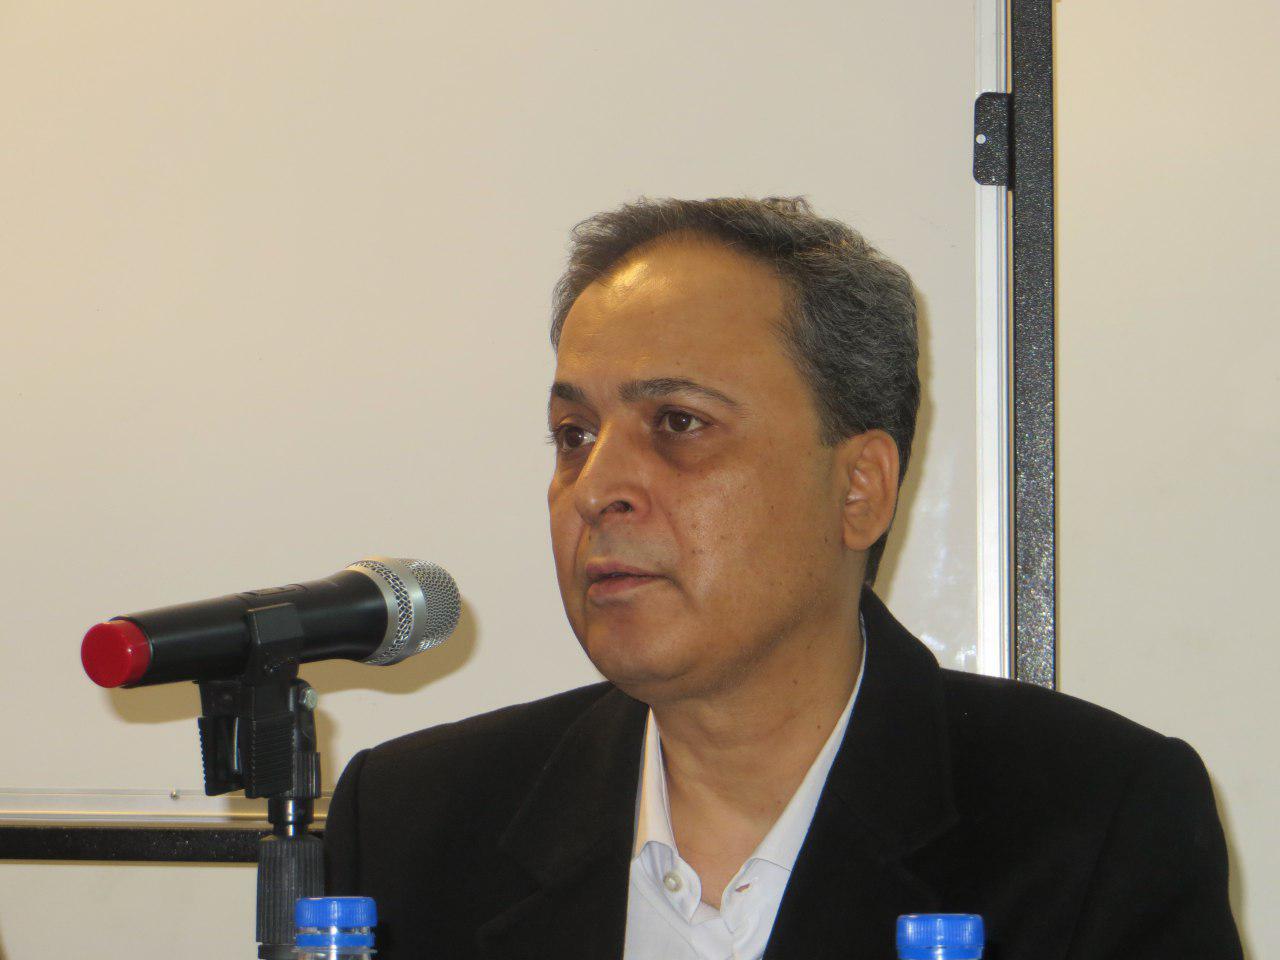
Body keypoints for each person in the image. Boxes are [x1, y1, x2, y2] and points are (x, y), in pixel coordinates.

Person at [324, 197, 1242, 959]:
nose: (595, 488)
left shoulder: (1094, 824)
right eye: (575, 436)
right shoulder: (416, 824)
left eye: (678, 423)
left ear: (859, 488)